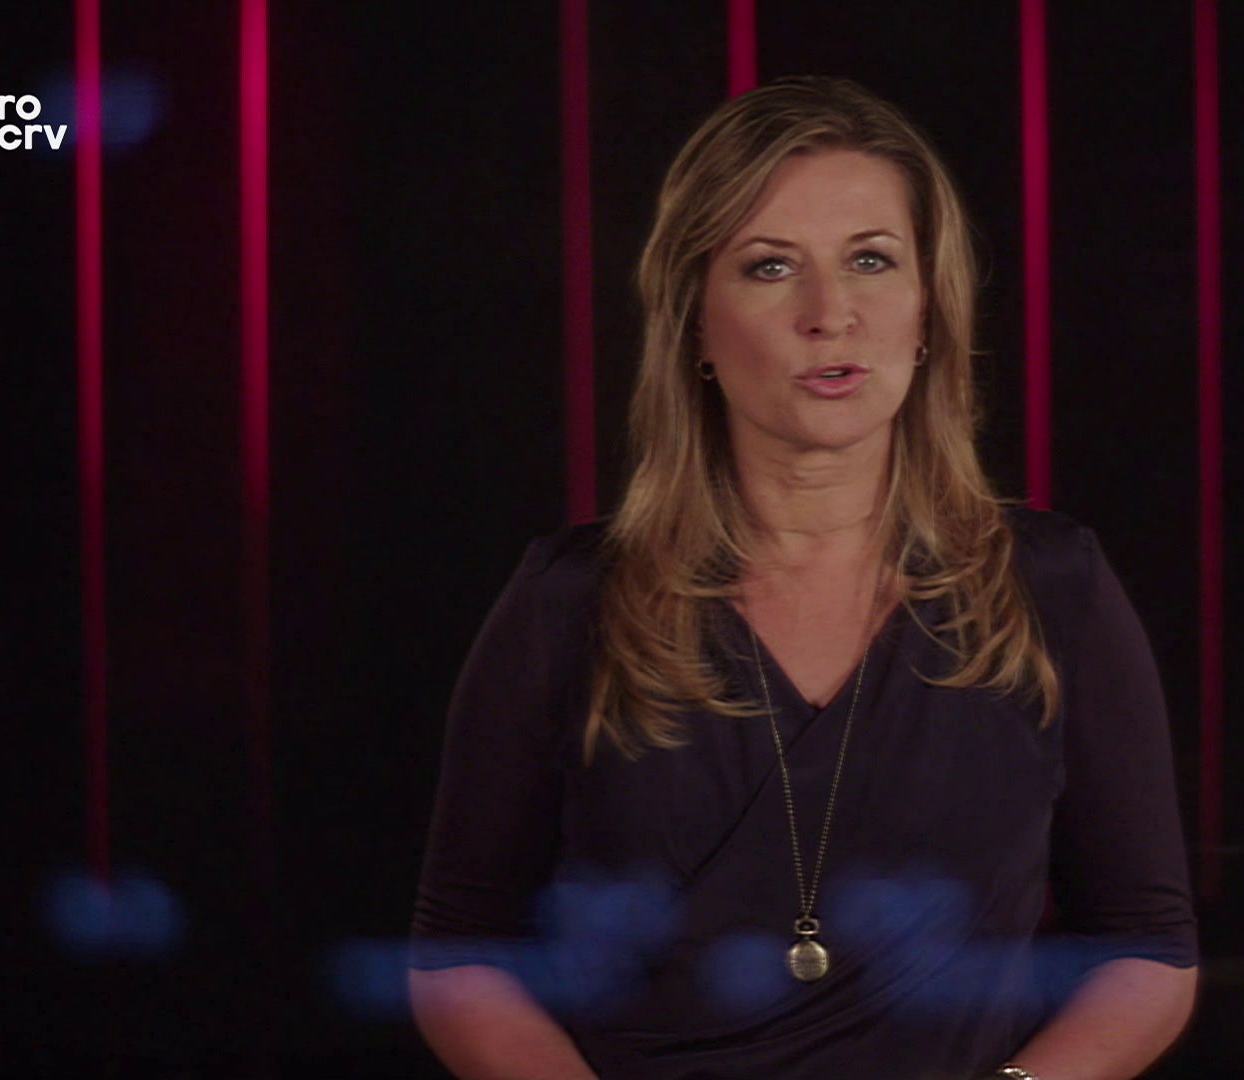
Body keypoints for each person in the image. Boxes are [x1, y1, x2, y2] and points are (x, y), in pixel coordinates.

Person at [408, 75, 1198, 1080]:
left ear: (929, 310)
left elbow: (1146, 947)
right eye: (771, 267)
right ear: (695, 323)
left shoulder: (1054, 588)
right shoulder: (567, 601)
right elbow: (460, 951)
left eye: (871, 260)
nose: (831, 314)